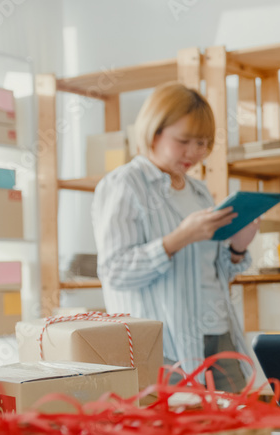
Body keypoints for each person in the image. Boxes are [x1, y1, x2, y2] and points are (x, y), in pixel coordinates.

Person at [92, 82, 259, 393]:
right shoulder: (124, 185)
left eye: (203, 143)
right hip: (164, 343)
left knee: (239, 430)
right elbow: (115, 271)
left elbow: (214, 272)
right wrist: (179, 238)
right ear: (154, 132)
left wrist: (237, 248)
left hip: (218, 333)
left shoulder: (198, 191)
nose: (194, 153)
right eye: (184, 141)